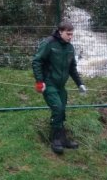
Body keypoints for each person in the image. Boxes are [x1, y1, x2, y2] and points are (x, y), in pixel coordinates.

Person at [32, 21, 87, 155]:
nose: (70, 37)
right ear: (60, 31)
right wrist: (39, 81)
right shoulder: (49, 44)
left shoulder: (69, 48)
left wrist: (80, 83)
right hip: (49, 83)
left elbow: (72, 68)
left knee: (62, 111)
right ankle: (55, 139)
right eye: (68, 34)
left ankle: (63, 139)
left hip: (61, 86)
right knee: (57, 107)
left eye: (72, 34)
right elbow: (36, 61)